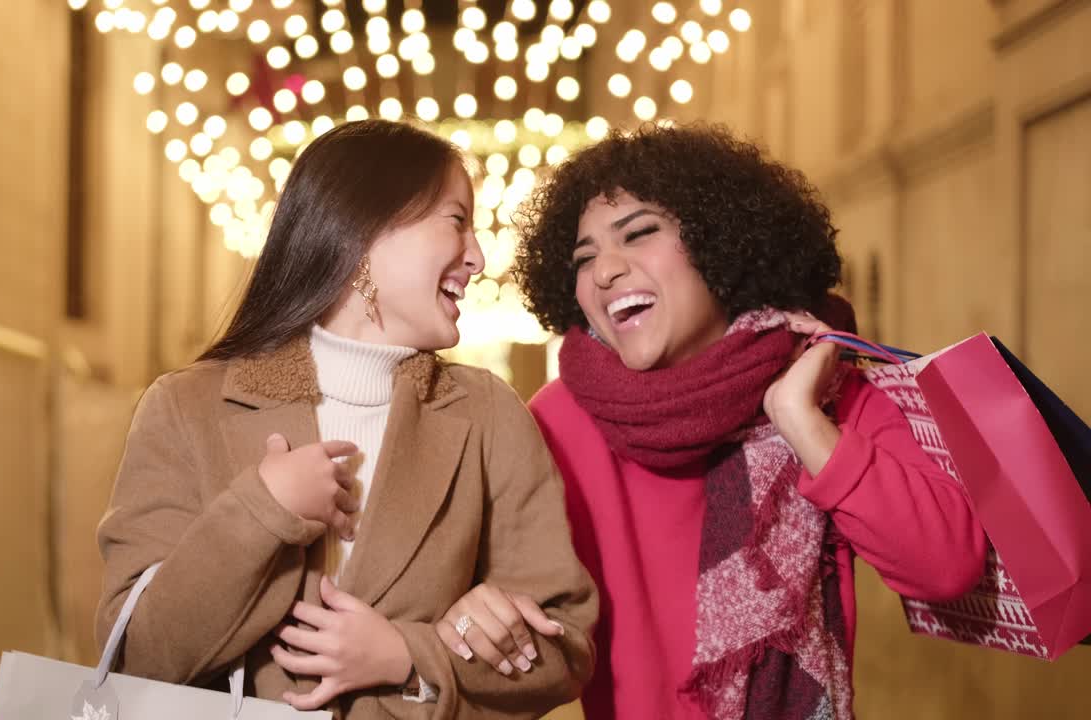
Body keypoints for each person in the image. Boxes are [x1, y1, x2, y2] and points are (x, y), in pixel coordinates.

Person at [437, 123, 986, 720]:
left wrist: (800, 421)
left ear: (721, 243)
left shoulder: (827, 393)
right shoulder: (557, 421)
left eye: (638, 234)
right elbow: (481, 603)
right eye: (584, 258)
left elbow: (947, 567)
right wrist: (466, 614)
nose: (604, 272)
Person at [95, 119, 597, 719]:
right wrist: (262, 510)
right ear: (364, 231)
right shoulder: (184, 407)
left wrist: (410, 658)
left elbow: (564, 648)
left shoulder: (489, 414)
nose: (479, 257)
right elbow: (134, 658)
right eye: (457, 220)